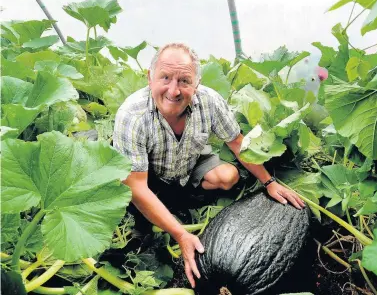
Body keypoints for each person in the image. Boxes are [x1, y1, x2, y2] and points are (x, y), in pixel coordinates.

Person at [113, 43, 306, 288]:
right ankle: (159, 211)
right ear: (149, 78)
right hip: (149, 177)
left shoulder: (210, 101)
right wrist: (181, 234)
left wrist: (269, 182)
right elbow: (137, 186)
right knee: (140, 220)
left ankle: (184, 199)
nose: (174, 90)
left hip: (189, 163)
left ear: (197, 82)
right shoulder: (132, 115)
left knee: (228, 176)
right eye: (165, 78)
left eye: (184, 80)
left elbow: (237, 143)